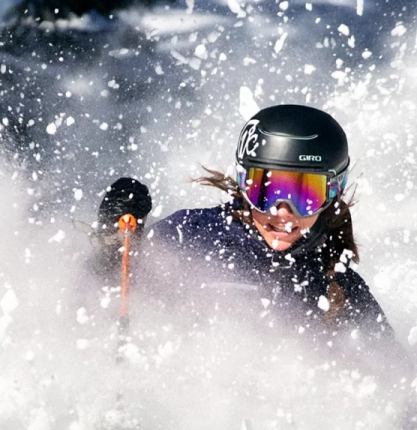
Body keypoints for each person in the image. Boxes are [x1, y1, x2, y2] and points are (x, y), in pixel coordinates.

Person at [95, 104, 399, 352]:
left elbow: (395, 380)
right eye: (265, 191)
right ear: (243, 184)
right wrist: (113, 246)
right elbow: (94, 298)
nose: (283, 212)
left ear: (333, 192)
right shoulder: (191, 235)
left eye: (306, 195)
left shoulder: (338, 286)